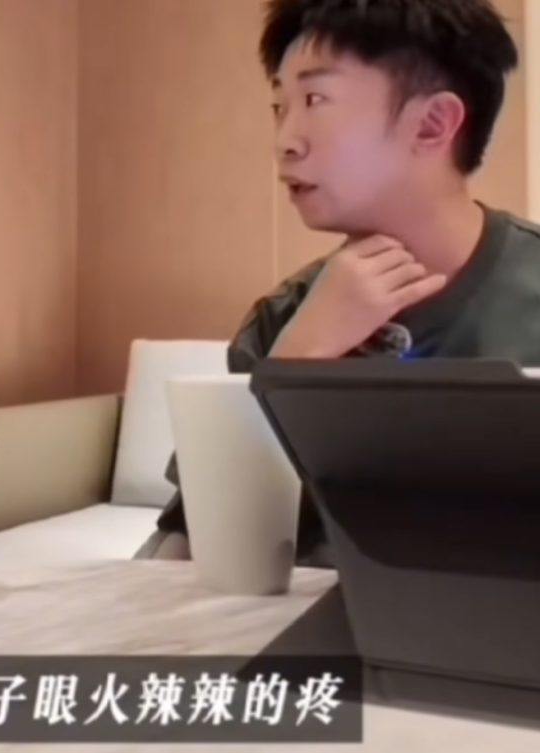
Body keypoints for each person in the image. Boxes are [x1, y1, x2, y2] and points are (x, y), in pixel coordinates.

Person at [138, 0, 529, 562]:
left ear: (432, 124)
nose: (284, 140)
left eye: (315, 100)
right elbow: (196, 546)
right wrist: (300, 359)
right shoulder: (285, 317)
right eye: (279, 106)